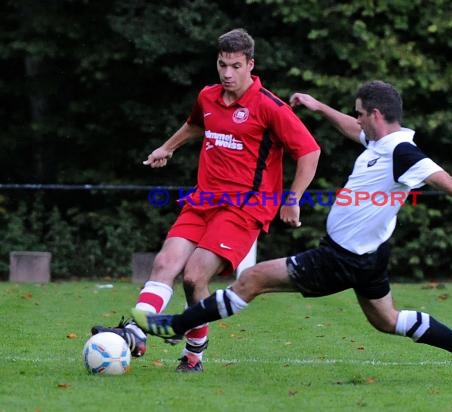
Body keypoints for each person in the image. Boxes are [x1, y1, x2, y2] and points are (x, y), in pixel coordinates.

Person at [131, 80, 452, 381]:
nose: (355, 119)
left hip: (341, 258)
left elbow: (445, 180)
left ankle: (174, 325)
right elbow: (353, 132)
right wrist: (318, 107)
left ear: (374, 113)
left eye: (358, 113)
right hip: (370, 256)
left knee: (252, 278)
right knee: (387, 321)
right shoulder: (380, 142)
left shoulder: (404, 152)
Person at [91, 28, 321, 372]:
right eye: (222, 64)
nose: (227, 73)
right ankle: (137, 331)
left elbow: (310, 151)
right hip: (203, 200)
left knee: (194, 276)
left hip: (245, 208)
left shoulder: (270, 107)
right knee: (165, 264)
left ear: (250, 65)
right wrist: (167, 147)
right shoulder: (208, 97)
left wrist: (293, 198)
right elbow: (195, 124)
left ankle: (193, 352)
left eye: (235, 66)